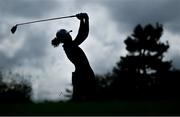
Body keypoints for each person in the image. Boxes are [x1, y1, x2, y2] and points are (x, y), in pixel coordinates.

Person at [51, 13, 95, 101]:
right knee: (85, 102)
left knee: (87, 103)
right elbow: (83, 35)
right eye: (68, 35)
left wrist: (83, 20)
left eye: (69, 34)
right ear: (64, 39)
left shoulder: (70, 45)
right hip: (83, 75)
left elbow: (81, 35)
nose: (70, 35)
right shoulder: (70, 47)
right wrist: (85, 20)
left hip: (82, 74)